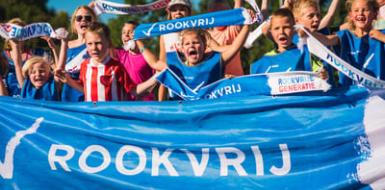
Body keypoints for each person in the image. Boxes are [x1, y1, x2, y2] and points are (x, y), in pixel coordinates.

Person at [147, 23, 250, 100]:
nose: (191, 45)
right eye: (187, 44)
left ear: (204, 46)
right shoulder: (175, 67)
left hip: (208, 117)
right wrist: (138, 41)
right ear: (181, 49)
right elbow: (154, 63)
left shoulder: (215, 62)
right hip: (183, 119)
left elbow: (235, 47)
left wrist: (247, 25)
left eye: (196, 42)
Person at [64, 22, 157, 102]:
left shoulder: (116, 67)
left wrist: (156, 77)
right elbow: (85, 90)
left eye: (98, 43)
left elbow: (134, 91)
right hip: (92, 119)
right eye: (90, 44)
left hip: (113, 119)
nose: (94, 48)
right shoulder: (85, 66)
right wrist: (68, 80)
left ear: (108, 43)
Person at [312, 0, 385, 86]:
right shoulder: (345, 35)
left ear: (375, 14)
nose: (360, 13)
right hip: (351, 96)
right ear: (350, 15)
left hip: (378, 95)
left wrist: (382, 38)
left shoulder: (381, 35)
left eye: (365, 10)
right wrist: (307, 32)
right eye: (356, 10)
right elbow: (326, 40)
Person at [250, 8, 328, 79]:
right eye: (276, 28)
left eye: (286, 27)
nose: (281, 32)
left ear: (294, 29)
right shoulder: (265, 60)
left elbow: (320, 72)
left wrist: (322, 74)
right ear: (271, 32)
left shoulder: (305, 54)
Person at [8, 29, 69, 101]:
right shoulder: (25, 85)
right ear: (28, 75)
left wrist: (63, 43)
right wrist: (15, 45)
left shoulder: (53, 85)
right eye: (33, 72)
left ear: (49, 73)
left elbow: (60, 68)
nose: (38, 74)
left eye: (41, 71)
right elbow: (17, 65)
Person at [2, 18, 54, 97]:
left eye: (21, 32)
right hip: (9, 104)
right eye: (13, 31)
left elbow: (56, 70)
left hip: (32, 99)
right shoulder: (2, 57)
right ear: (6, 35)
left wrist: (54, 48)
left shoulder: (38, 53)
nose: (17, 35)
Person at [60, 5, 97, 102]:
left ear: (94, 23)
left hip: (88, 94)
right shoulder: (66, 44)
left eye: (88, 18)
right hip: (68, 94)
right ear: (74, 24)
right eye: (79, 18)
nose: (83, 20)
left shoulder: (97, 45)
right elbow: (60, 70)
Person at [158, 0, 192, 101]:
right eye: (174, 10)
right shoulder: (164, 34)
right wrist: (160, 104)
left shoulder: (197, 32)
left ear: (189, 12)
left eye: (182, 9)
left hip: (197, 91)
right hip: (174, 94)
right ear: (169, 13)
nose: (178, 13)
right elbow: (162, 68)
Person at [113, 21, 156, 101]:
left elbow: (157, 81)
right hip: (125, 105)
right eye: (124, 32)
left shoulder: (147, 56)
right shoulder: (120, 54)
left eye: (130, 32)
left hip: (146, 104)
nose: (126, 35)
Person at [207, 0, 245, 77]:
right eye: (216, 12)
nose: (220, 15)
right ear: (209, 13)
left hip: (235, 81)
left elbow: (237, 9)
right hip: (214, 84)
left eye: (223, 12)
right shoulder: (204, 35)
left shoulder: (232, 30)